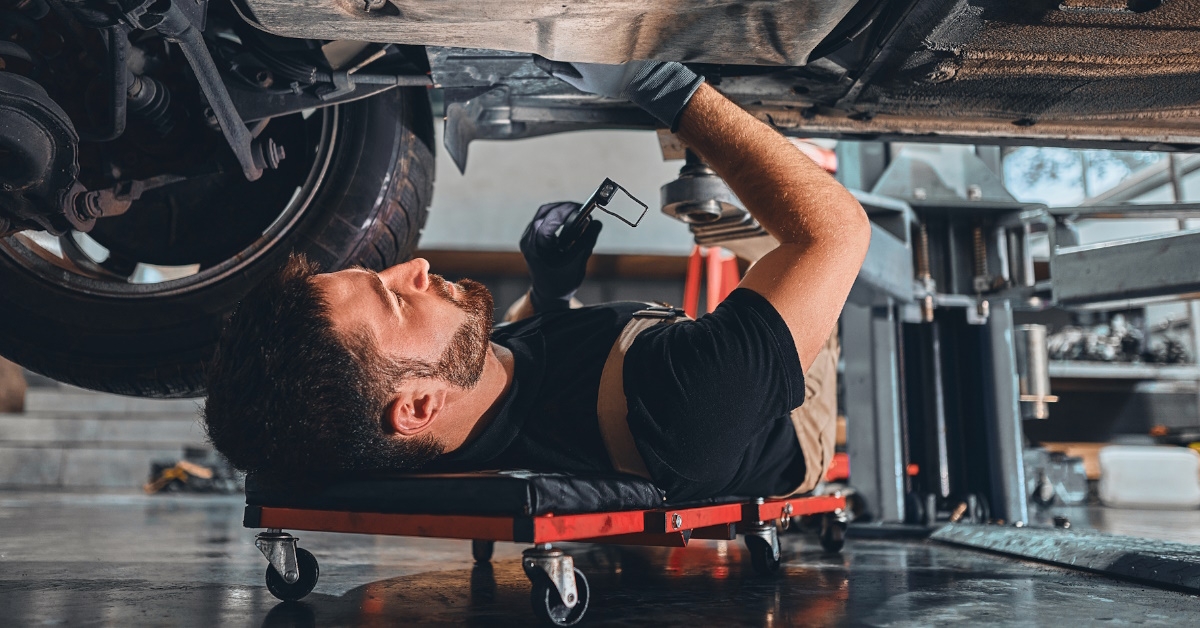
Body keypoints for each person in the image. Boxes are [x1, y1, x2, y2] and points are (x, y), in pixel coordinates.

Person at [202, 58, 870, 502]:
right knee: (770, 224)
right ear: (417, 408)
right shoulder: (686, 404)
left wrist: (550, 290)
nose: (414, 267)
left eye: (381, 273)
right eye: (394, 298)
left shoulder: (431, 420)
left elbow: (520, 372)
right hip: (779, 417)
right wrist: (666, 85)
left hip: (641, 358)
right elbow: (837, 233)